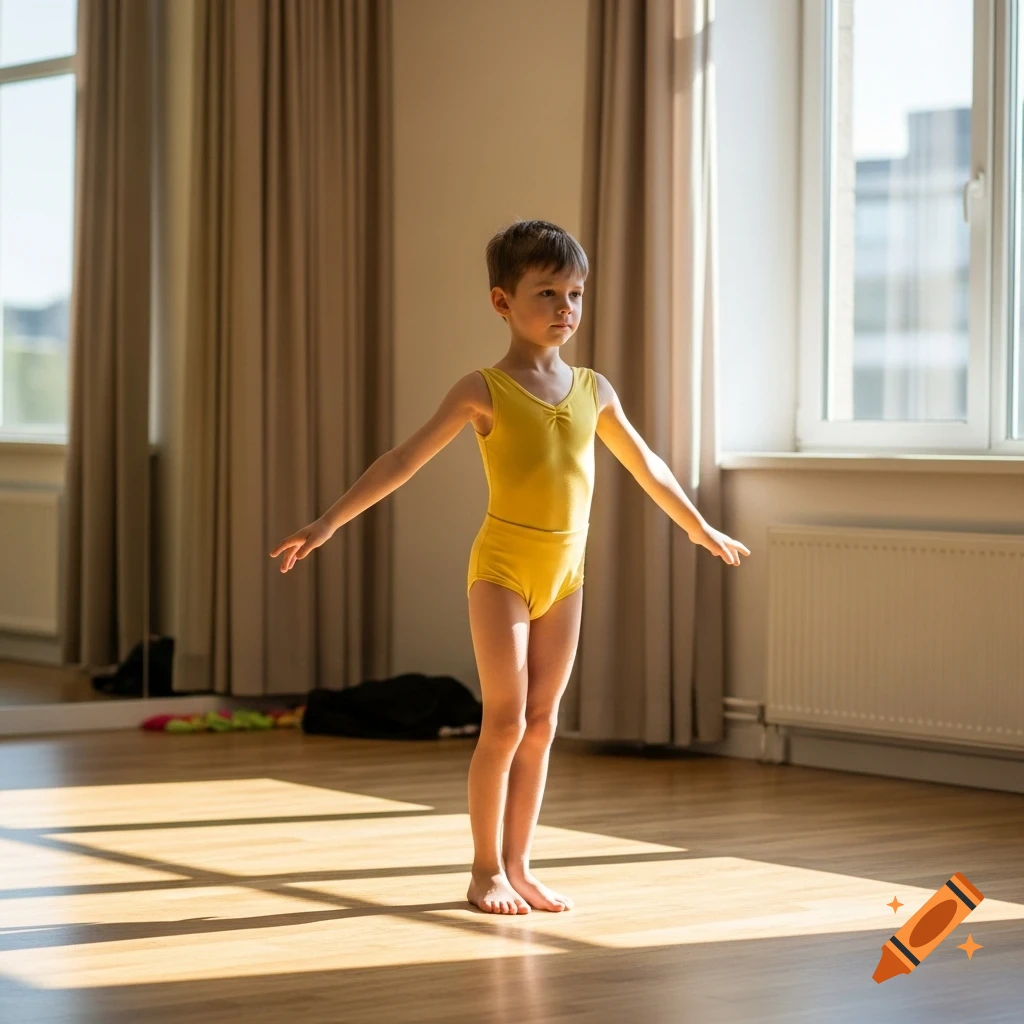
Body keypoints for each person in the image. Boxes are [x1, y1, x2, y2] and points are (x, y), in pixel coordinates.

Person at [270, 219, 750, 916]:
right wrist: (327, 522)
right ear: (502, 302)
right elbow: (402, 461)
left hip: (567, 574)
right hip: (501, 571)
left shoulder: (594, 389)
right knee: (502, 722)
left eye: (576, 294)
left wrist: (699, 527)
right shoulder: (484, 388)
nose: (565, 309)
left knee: (544, 720)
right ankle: (483, 868)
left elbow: (647, 466)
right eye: (547, 292)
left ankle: (521, 864)